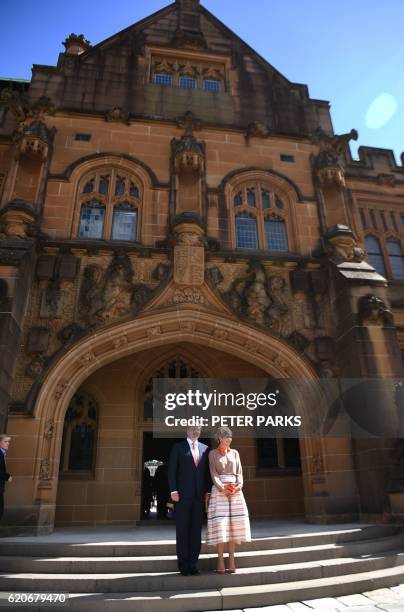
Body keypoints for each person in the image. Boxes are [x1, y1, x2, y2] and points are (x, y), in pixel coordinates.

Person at [206, 426, 251, 573]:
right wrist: (222, 488)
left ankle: (231, 561)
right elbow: (213, 473)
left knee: (233, 528)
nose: (229, 439)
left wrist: (239, 487)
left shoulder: (235, 453)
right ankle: (220, 562)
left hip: (236, 493)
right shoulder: (212, 454)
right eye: (226, 437)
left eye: (230, 437)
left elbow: (240, 473)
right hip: (220, 493)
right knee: (221, 527)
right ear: (219, 438)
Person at [168, 427, 211, 576]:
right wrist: (173, 490)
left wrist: (208, 491)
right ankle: (183, 565)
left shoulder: (205, 449)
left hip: (199, 498)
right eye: (192, 429)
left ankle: (193, 564)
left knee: (195, 532)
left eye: (197, 429)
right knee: (182, 531)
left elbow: (206, 473)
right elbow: (172, 470)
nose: (195, 431)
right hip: (182, 497)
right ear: (187, 431)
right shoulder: (178, 447)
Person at [0, 434, 12, 521]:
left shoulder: (2, 453)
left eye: (9, 441)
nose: (8, 443)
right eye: (5, 441)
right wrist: (7, 477)